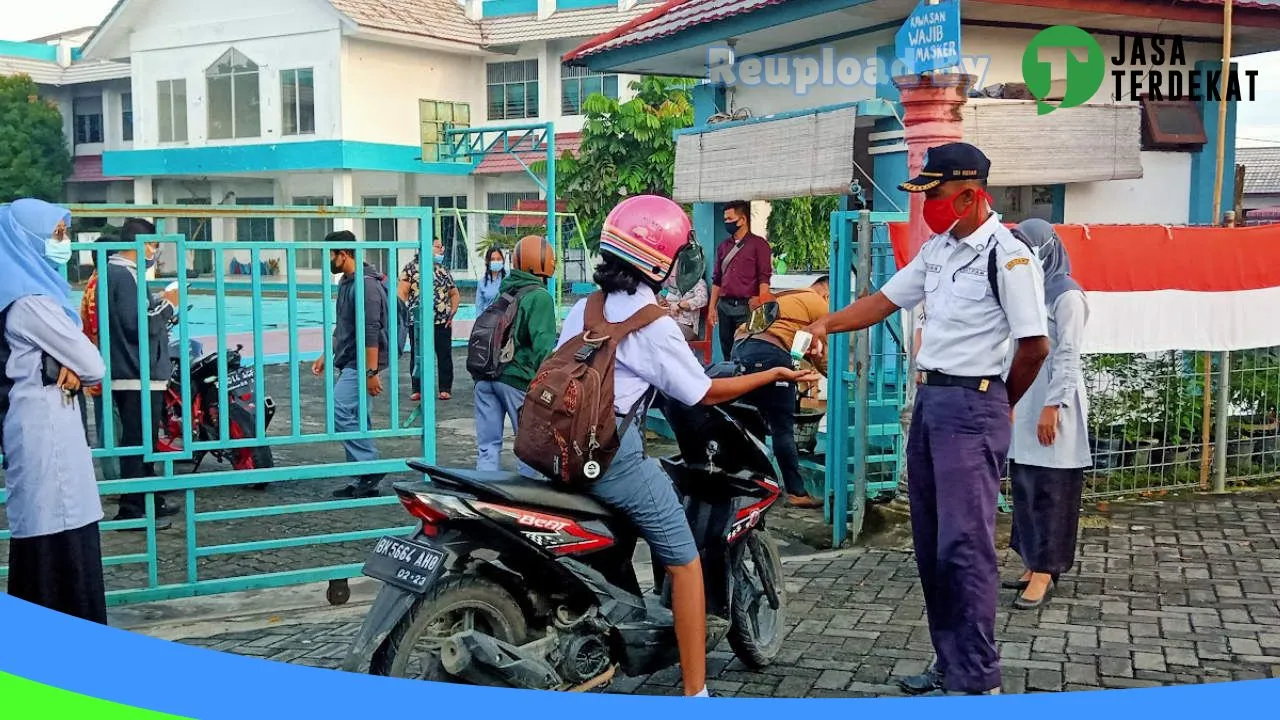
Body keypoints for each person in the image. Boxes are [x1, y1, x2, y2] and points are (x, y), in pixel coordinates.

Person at [802, 143, 1050, 696]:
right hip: (933, 404)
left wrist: (1000, 401)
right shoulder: (938, 250)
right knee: (934, 543)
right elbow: (885, 301)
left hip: (975, 405)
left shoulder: (1007, 256)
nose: (927, 206)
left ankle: (979, 676)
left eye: (934, 195)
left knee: (967, 546)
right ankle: (949, 661)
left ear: (969, 195)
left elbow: (1035, 345)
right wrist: (826, 326)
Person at [558, 195, 817, 697]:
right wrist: (774, 373)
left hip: (557, 451)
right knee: (685, 559)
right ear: (661, 262)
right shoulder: (651, 322)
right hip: (611, 458)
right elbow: (701, 391)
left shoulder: (583, 308)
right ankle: (696, 694)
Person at [0, 199, 109, 622]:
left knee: (46, 527)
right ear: (27, 241)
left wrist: (70, 364)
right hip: (47, 423)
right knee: (60, 532)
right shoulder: (33, 303)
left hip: (32, 420)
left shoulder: (15, 295)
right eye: (56, 235)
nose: (62, 244)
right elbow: (93, 364)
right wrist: (75, 365)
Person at [1005, 218, 1091, 610]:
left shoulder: (1067, 295)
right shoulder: (1029, 293)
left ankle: (1046, 570)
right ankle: (1031, 561)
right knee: (1025, 483)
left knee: (1052, 490)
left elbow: (1068, 355)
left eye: (1026, 246)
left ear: (1045, 249)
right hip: (1025, 402)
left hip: (1053, 405)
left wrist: (1052, 406)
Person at [105, 218, 182, 524]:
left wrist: (161, 302)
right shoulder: (123, 275)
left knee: (144, 442)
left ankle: (149, 500)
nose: (155, 251)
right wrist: (169, 306)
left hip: (139, 371)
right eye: (153, 245)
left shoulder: (123, 275)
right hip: (136, 373)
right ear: (140, 244)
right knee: (138, 443)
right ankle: (133, 508)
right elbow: (138, 324)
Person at [729, 276, 830, 509]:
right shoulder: (818, 303)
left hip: (741, 349)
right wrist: (833, 376)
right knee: (782, 427)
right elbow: (822, 354)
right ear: (827, 293)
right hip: (770, 353)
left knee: (751, 423)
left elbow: (798, 347)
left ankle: (755, 485)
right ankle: (796, 492)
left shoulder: (787, 297)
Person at [317, 232, 391, 499]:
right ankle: (364, 479)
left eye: (330, 255)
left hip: (361, 362)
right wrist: (328, 353)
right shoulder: (347, 283)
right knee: (359, 419)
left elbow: (371, 329)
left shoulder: (366, 285)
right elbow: (344, 324)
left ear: (343, 254)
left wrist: (371, 372)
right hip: (350, 358)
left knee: (337, 410)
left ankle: (369, 466)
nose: (328, 261)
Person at [474, 236, 556, 476]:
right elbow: (543, 348)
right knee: (529, 447)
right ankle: (530, 502)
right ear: (544, 262)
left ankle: (485, 492)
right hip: (516, 380)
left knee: (488, 446)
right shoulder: (540, 297)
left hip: (485, 376)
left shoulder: (505, 291)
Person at [707, 201, 771, 359]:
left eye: (730, 219)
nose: (727, 223)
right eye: (725, 219)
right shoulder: (723, 247)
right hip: (725, 306)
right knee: (727, 350)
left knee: (746, 349)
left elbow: (764, 277)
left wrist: (761, 303)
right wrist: (711, 308)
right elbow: (717, 280)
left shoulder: (759, 245)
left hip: (747, 307)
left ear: (742, 220)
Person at [659, 257, 708, 341]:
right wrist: (661, 298)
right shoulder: (671, 282)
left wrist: (680, 305)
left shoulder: (698, 282)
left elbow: (702, 299)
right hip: (668, 321)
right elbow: (663, 291)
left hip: (686, 326)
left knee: (667, 332)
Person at [475, 246, 508, 315]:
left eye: (498, 259)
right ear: (488, 262)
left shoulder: (509, 278)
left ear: (503, 260)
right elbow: (479, 307)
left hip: (507, 320)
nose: (496, 261)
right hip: (489, 321)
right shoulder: (482, 283)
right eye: (492, 259)